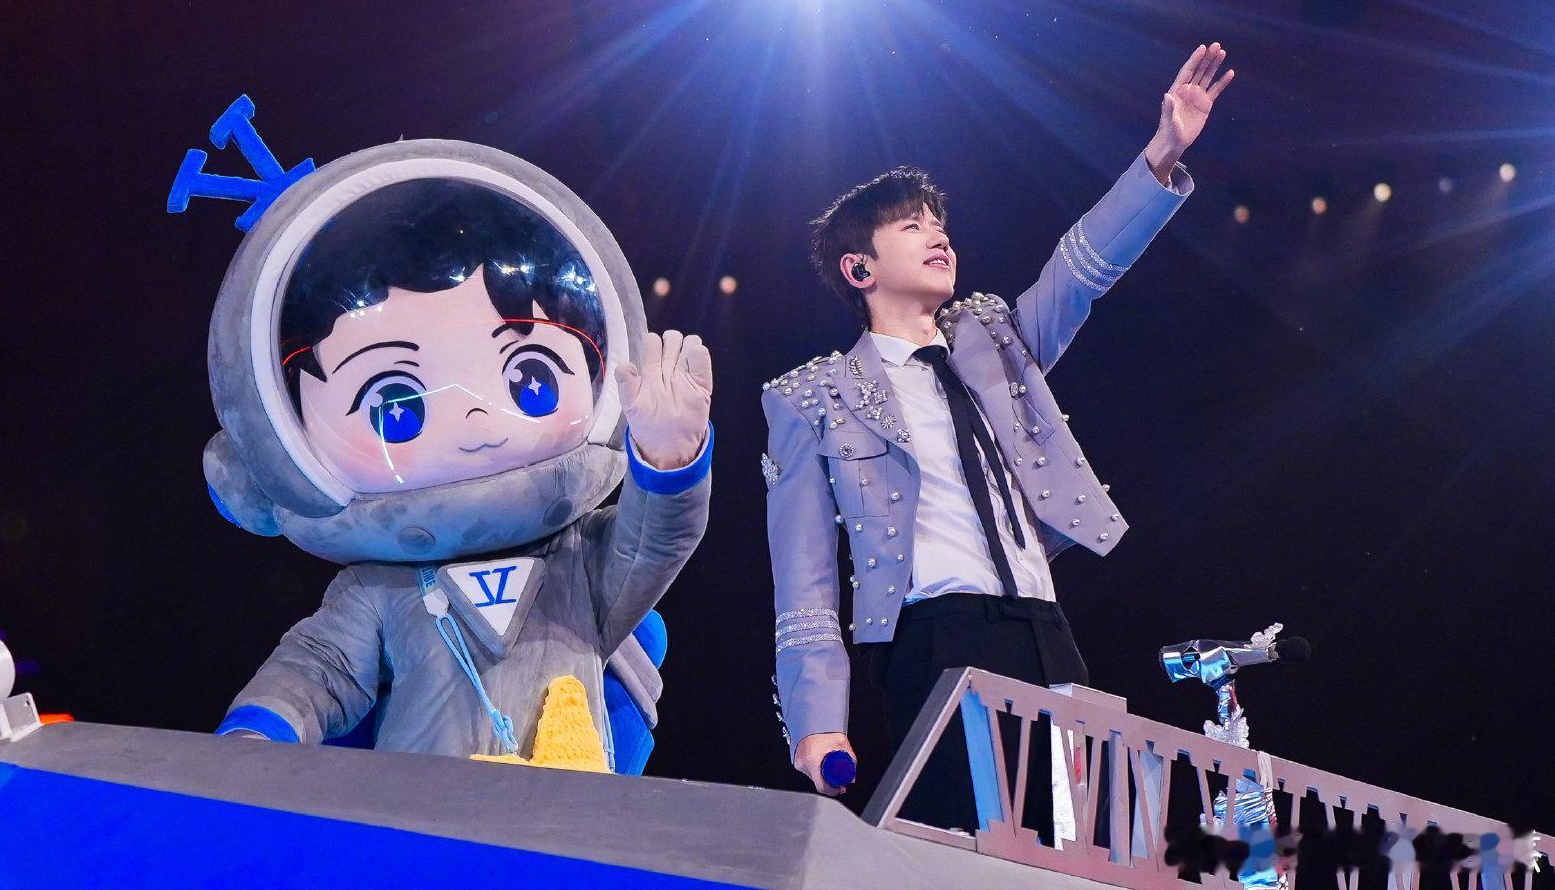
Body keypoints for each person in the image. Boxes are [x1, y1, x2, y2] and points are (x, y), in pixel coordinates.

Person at [763, 44, 1236, 828]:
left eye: (941, 224)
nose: (938, 237)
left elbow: (1081, 273)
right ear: (859, 269)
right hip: (936, 636)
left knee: (1080, 847)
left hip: (1046, 629)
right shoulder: (814, 397)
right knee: (967, 851)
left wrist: (1160, 155)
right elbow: (805, 576)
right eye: (912, 226)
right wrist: (817, 723)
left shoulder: (994, 338)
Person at [173, 126, 712, 769]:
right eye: (397, 406)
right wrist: (259, 735)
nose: (478, 417)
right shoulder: (376, 589)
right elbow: (320, 669)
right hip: (422, 821)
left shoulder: (582, 560)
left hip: (573, 822)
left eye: (531, 378)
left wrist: (669, 463)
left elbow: (653, 540)